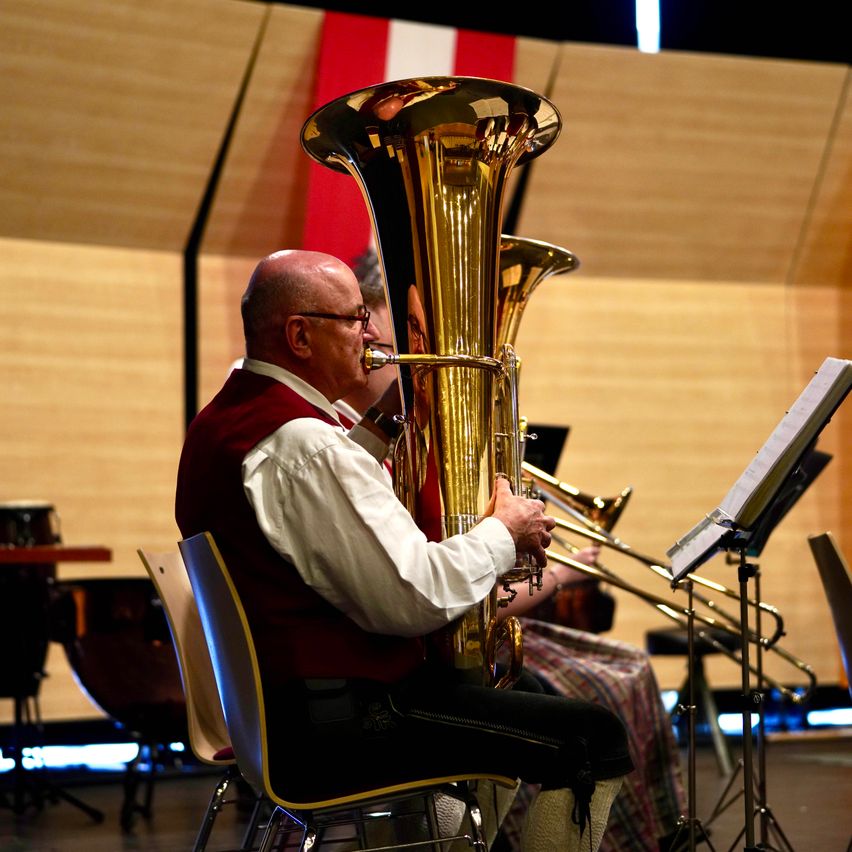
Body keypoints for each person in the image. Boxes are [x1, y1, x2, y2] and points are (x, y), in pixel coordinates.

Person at [176, 248, 634, 852]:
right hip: (345, 726)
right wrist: (506, 531)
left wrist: (388, 425)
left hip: (292, 718)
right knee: (594, 739)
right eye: (355, 319)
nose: (371, 335)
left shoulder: (234, 421)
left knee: (526, 696)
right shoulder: (304, 443)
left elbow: (306, 517)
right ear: (300, 335)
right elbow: (413, 596)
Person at [345, 248, 689, 852]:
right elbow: (434, 595)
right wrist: (550, 573)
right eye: (413, 335)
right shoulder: (368, 450)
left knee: (610, 677)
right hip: (408, 672)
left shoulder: (398, 438)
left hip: (440, 646)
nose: (421, 353)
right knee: (601, 705)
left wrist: (515, 545)